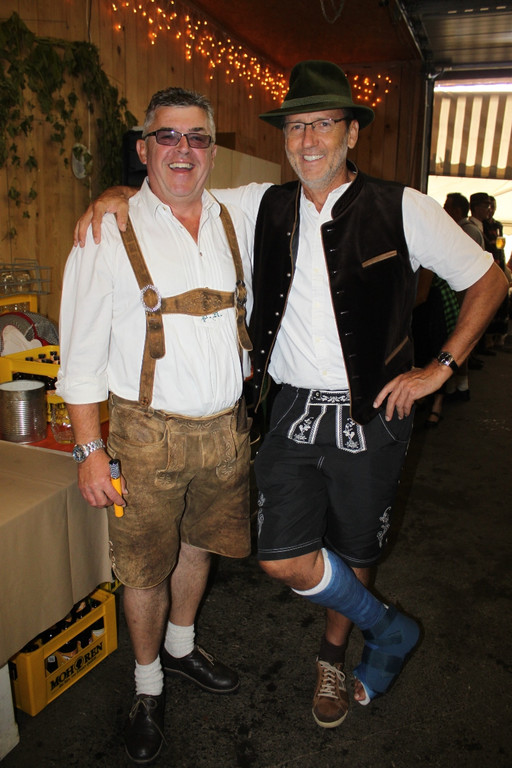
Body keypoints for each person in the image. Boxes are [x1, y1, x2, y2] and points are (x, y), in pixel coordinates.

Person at [74, 61, 508, 731]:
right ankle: (389, 627)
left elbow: (489, 280)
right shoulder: (260, 205)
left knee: (356, 551)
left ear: (352, 132)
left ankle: (333, 657)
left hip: (374, 409)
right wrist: (114, 195)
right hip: (291, 408)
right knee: (280, 556)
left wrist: (440, 369)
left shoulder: (404, 207)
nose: (308, 140)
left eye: (323, 124)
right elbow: (169, 190)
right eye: (296, 126)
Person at [58, 87, 255, 765]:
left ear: (213, 150)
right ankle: (147, 687)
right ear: (143, 149)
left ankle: (181, 647)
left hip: (226, 433)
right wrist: (89, 450)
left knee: (198, 545)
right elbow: (80, 357)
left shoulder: (236, 216)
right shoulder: (106, 231)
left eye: (197, 137)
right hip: (144, 439)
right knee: (143, 568)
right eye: (167, 136)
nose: (183, 150)